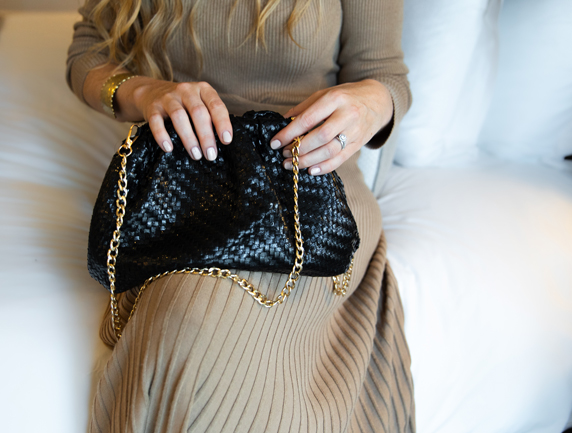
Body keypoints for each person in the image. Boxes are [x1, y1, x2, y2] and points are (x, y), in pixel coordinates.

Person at [67, 0, 415, 431]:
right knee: (182, 333)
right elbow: (88, 52)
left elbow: (384, 74)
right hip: (187, 177)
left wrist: (370, 104)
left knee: (200, 340)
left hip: (306, 178)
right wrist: (143, 92)